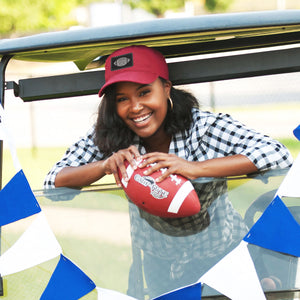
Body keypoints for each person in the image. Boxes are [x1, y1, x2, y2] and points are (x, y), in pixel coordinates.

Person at [44, 45, 293, 297]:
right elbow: (53, 182)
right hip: (159, 266)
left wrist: (194, 169)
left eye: (144, 92)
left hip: (222, 256)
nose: (135, 107)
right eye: (122, 99)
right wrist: (104, 165)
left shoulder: (203, 128)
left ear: (165, 88)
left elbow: (277, 154)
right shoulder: (112, 136)